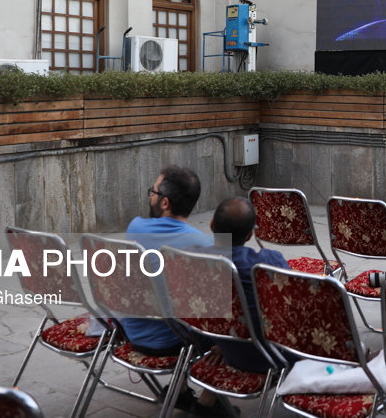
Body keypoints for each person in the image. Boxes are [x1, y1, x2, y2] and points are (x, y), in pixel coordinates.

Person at [124, 165, 236, 417]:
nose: (149, 196)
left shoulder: (135, 227)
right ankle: (208, 402)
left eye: (152, 191)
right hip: (176, 340)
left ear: (164, 203)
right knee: (242, 316)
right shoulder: (208, 246)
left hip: (132, 332)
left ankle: (182, 391)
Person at [208, 196, 292, 373]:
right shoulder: (269, 263)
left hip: (227, 348)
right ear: (250, 235)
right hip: (272, 356)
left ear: (211, 225)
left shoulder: (191, 262)